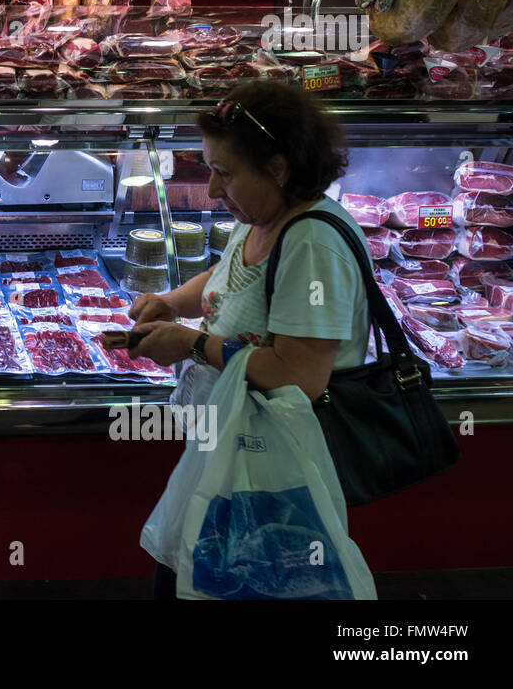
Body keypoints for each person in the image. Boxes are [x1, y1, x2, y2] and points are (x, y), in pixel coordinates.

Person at [127, 81, 372, 599]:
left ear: (277, 169)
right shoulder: (263, 218)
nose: (213, 191)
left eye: (224, 173)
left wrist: (191, 345)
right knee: (196, 577)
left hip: (279, 471)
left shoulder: (313, 243)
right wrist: (173, 302)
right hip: (235, 447)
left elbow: (297, 376)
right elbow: (229, 277)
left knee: (244, 581)